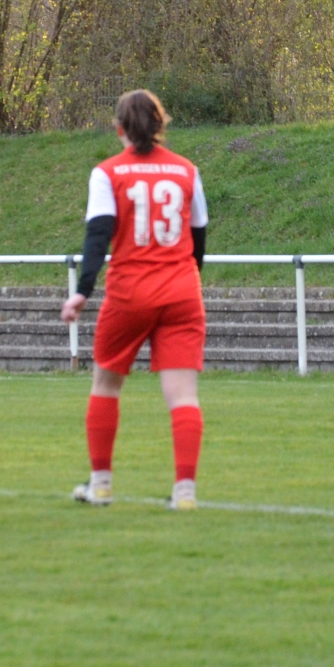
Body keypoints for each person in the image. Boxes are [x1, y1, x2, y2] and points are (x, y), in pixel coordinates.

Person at [59, 90, 210, 511]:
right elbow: (198, 240)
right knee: (183, 396)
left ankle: (102, 484)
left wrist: (81, 293)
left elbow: (97, 237)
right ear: (162, 124)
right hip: (181, 291)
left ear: (119, 128)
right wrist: (185, 278)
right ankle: (184, 493)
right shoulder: (186, 171)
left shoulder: (108, 173)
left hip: (130, 291)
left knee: (106, 384)